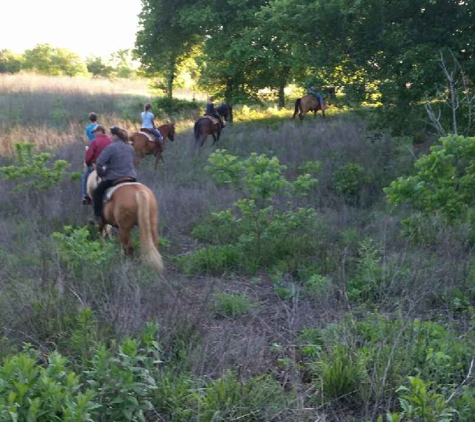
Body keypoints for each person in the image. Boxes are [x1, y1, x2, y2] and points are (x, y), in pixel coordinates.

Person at [91, 126, 137, 226]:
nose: (110, 137)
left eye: (111, 135)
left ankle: (98, 217)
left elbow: (99, 163)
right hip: (131, 177)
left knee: (97, 193)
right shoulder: (130, 147)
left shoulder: (110, 148)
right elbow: (133, 162)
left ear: (115, 136)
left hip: (113, 178)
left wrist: (101, 174)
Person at [81, 125, 112, 204]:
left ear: (100, 131)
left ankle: (85, 196)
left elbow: (89, 155)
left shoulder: (95, 141)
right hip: (109, 166)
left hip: (96, 166)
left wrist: (88, 164)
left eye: (95, 132)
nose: (94, 134)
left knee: (84, 176)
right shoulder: (110, 140)